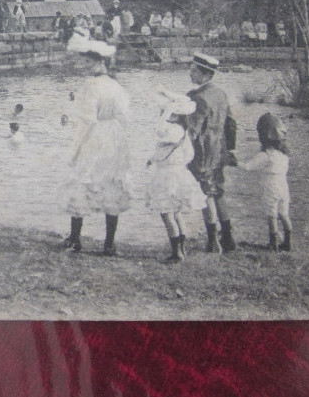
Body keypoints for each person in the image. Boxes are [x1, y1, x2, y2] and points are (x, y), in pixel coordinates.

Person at [60, 32, 131, 255]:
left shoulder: (91, 86)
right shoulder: (116, 86)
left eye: (89, 62)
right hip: (114, 136)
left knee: (83, 180)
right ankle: (109, 243)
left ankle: (75, 239)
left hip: (94, 136)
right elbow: (125, 116)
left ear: (100, 62)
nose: (85, 66)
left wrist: (75, 148)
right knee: (110, 182)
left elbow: (88, 119)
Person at [186, 52, 238, 253]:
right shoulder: (220, 93)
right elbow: (231, 123)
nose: (190, 74)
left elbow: (192, 131)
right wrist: (231, 148)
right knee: (219, 192)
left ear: (204, 74)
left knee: (206, 194)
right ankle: (228, 237)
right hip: (219, 150)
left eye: (194, 71)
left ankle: (212, 240)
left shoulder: (198, 98)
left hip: (202, 153)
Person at [146, 90, 204, 262]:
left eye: (168, 113)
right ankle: (181, 247)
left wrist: (166, 112)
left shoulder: (173, 130)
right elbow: (179, 153)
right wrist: (153, 158)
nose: (163, 115)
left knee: (167, 213)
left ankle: (176, 252)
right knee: (176, 213)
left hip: (169, 176)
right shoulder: (183, 131)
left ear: (176, 115)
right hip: (179, 173)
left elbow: (158, 130)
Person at [238, 112, 292, 251]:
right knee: (284, 214)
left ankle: (273, 244)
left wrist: (234, 162)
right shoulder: (284, 154)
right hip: (284, 187)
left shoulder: (266, 154)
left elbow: (249, 166)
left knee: (272, 215)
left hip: (271, 187)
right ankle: (287, 242)